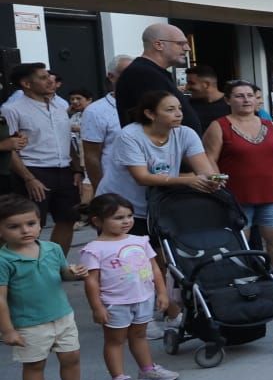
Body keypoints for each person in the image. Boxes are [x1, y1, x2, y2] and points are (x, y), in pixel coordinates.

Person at [0, 195, 102, 380]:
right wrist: (7, 330)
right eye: (14, 227)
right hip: (29, 322)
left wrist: (74, 272)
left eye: (31, 224)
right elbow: (1, 298)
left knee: (71, 357)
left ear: (39, 222)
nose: (25, 230)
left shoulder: (52, 248)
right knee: (35, 364)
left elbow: (62, 272)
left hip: (62, 315)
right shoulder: (3, 260)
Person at [77, 192, 178, 380]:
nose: (126, 221)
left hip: (143, 298)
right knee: (115, 340)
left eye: (129, 216)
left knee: (140, 335)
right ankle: (118, 379)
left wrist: (162, 293)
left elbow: (155, 269)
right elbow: (91, 281)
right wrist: (97, 307)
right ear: (97, 221)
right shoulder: (94, 249)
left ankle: (147, 370)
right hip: (115, 303)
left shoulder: (140, 240)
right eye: (118, 218)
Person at [201, 82, 273, 294]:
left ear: (256, 99)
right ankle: (241, 280)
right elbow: (209, 158)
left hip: (270, 192)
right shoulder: (219, 126)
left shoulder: (271, 126)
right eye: (238, 96)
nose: (245, 100)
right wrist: (218, 186)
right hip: (236, 195)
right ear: (228, 100)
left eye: (249, 95)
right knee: (238, 239)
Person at [97, 90, 221, 236]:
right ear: (150, 114)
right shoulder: (129, 135)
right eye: (170, 110)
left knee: (162, 253)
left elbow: (204, 170)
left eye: (180, 108)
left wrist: (213, 180)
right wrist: (188, 180)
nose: (179, 113)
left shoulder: (186, 133)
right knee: (127, 254)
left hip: (158, 204)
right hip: (120, 206)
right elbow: (142, 178)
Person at [4, 63, 82, 252]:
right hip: (34, 169)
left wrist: (77, 169)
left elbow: (65, 138)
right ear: (26, 84)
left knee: (68, 219)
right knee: (29, 224)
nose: (50, 81)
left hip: (64, 170)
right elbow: (9, 148)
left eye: (49, 76)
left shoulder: (61, 105)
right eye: (43, 78)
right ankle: (26, 267)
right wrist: (29, 178)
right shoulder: (12, 109)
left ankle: (55, 266)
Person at [116, 23, 199, 131]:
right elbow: (156, 121)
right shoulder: (143, 74)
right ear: (159, 45)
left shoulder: (151, 72)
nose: (187, 48)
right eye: (180, 43)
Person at [80, 56, 133, 193]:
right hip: (115, 186)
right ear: (111, 76)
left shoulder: (149, 105)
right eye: (127, 73)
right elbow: (91, 156)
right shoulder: (95, 111)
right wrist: (101, 190)